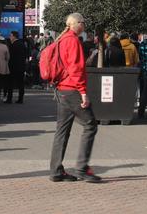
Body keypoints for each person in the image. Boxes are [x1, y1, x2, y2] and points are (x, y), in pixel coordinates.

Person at [49, 13, 100, 183]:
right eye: (83, 23)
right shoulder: (72, 41)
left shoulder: (61, 40)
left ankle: (56, 170)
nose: (84, 26)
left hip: (61, 89)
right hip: (72, 90)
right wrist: (83, 92)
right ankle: (82, 167)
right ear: (76, 23)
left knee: (62, 131)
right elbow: (76, 69)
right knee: (90, 124)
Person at [6, 31, 27, 104]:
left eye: (11, 36)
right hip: (21, 66)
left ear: (14, 36)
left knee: (10, 83)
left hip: (13, 66)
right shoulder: (22, 44)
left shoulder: (13, 45)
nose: (10, 37)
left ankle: (9, 99)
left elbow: (10, 56)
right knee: (20, 83)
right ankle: (20, 99)